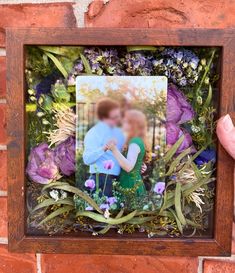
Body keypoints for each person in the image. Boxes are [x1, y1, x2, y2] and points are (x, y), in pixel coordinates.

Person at [83, 98, 125, 196]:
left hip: (119, 180)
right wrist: (104, 148)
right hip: (101, 181)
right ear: (104, 116)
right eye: (115, 115)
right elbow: (87, 159)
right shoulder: (93, 133)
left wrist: (139, 165)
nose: (118, 118)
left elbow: (124, 156)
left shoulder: (119, 133)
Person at [107, 109, 149, 196]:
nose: (123, 122)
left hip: (129, 184)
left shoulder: (134, 141)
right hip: (130, 181)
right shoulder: (133, 139)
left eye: (125, 121)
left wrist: (113, 149)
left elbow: (128, 167)